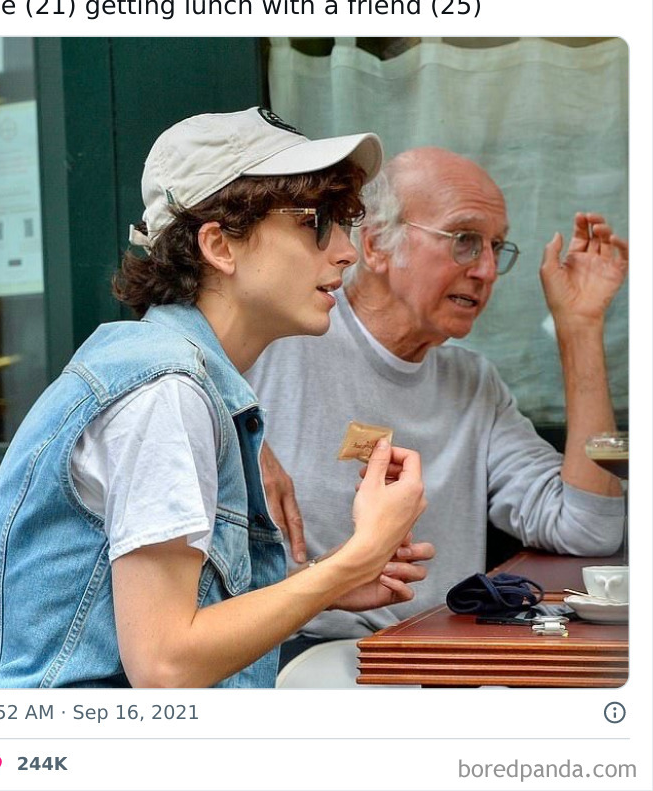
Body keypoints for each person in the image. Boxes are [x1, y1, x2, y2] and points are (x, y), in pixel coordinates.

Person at [0, 107, 432, 689]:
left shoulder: (175, 376)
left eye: (347, 222)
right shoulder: (166, 394)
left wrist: (330, 584)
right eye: (317, 222)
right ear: (220, 245)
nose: (345, 251)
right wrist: (356, 558)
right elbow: (166, 664)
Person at [247, 145, 628, 654]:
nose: (487, 270)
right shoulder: (278, 334)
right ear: (377, 244)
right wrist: (236, 421)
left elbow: (587, 527)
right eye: (465, 241)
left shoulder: (473, 383)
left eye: (497, 247)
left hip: (438, 656)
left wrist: (580, 327)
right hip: (296, 652)